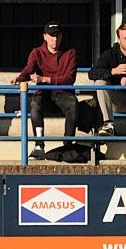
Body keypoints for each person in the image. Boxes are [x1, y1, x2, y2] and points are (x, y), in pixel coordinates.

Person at [11, 21, 79, 160]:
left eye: (57, 35)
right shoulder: (36, 52)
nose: (55, 38)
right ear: (45, 36)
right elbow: (29, 69)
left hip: (63, 94)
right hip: (44, 93)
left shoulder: (71, 52)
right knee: (35, 105)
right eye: (51, 35)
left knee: (73, 104)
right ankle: (39, 145)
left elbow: (69, 79)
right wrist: (20, 78)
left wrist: (44, 79)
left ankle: (67, 145)